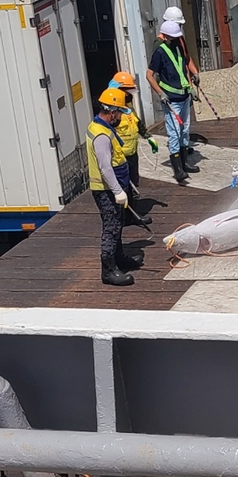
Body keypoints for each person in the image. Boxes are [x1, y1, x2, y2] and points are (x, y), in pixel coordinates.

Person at [86, 88, 140, 287]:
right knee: (111, 228)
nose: (120, 117)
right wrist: (117, 191)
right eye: (119, 112)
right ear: (111, 111)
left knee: (117, 223)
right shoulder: (101, 135)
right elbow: (105, 167)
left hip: (112, 187)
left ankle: (119, 258)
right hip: (106, 190)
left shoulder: (102, 127)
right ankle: (108, 270)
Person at [147, 20, 200, 184]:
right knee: (174, 133)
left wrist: (191, 84)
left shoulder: (178, 47)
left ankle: (184, 164)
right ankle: (178, 170)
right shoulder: (160, 52)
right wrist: (160, 93)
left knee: (184, 131)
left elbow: (183, 68)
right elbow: (149, 75)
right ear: (167, 36)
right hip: (171, 100)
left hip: (184, 97)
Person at [110, 71, 158, 227]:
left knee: (133, 185)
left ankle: (131, 216)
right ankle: (123, 218)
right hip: (119, 158)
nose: (129, 96)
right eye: (127, 92)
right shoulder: (113, 113)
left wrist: (148, 137)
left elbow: (137, 123)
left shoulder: (128, 109)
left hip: (132, 154)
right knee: (123, 187)